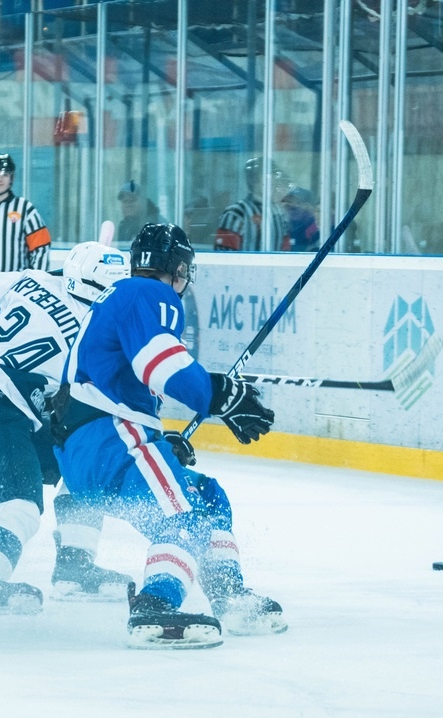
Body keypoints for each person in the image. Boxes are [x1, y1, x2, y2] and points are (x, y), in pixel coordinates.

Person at [52, 222, 285, 649]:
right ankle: (154, 606)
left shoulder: (119, 297)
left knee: (206, 495)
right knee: (184, 516)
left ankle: (228, 595)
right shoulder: (148, 294)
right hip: (111, 434)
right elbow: (159, 364)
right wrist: (217, 394)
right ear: (178, 268)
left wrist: (163, 438)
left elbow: (130, 377)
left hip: (91, 445)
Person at [0, 243, 135, 614]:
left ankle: (75, 567)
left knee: (81, 463)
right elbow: (107, 409)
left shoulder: (31, 280)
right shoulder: (99, 336)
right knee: (20, 505)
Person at [214, 157, 291, 252]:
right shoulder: (235, 213)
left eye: (273, 175)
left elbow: (285, 249)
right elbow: (223, 255)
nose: (272, 181)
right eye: (266, 175)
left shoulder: (278, 212)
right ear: (253, 180)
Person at [282, 185, 320, 252]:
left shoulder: (315, 229)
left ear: (309, 206)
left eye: (297, 202)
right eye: (288, 201)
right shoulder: (284, 226)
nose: (290, 206)